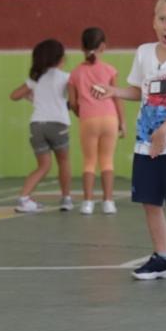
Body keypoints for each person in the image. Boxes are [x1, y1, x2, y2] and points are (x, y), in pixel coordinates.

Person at [92, 0, 166, 282]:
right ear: (154, 22)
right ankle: (162, 257)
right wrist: (113, 91)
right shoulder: (144, 53)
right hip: (146, 143)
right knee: (149, 201)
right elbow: (139, 91)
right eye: (163, 19)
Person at [10, 39, 73, 213]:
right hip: (58, 124)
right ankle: (66, 199)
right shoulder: (66, 77)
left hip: (37, 125)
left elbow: (14, 95)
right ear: (61, 58)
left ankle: (24, 198)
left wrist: (31, 97)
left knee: (43, 166)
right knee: (64, 161)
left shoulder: (35, 79)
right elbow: (73, 100)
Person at [67, 27, 123, 215]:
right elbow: (116, 97)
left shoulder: (75, 74)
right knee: (107, 161)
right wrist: (122, 122)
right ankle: (108, 202)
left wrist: (79, 113)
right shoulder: (109, 70)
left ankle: (87, 203)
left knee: (89, 162)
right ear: (103, 47)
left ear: (81, 47)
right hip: (109, 118)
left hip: (88, 119)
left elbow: (73, 102)